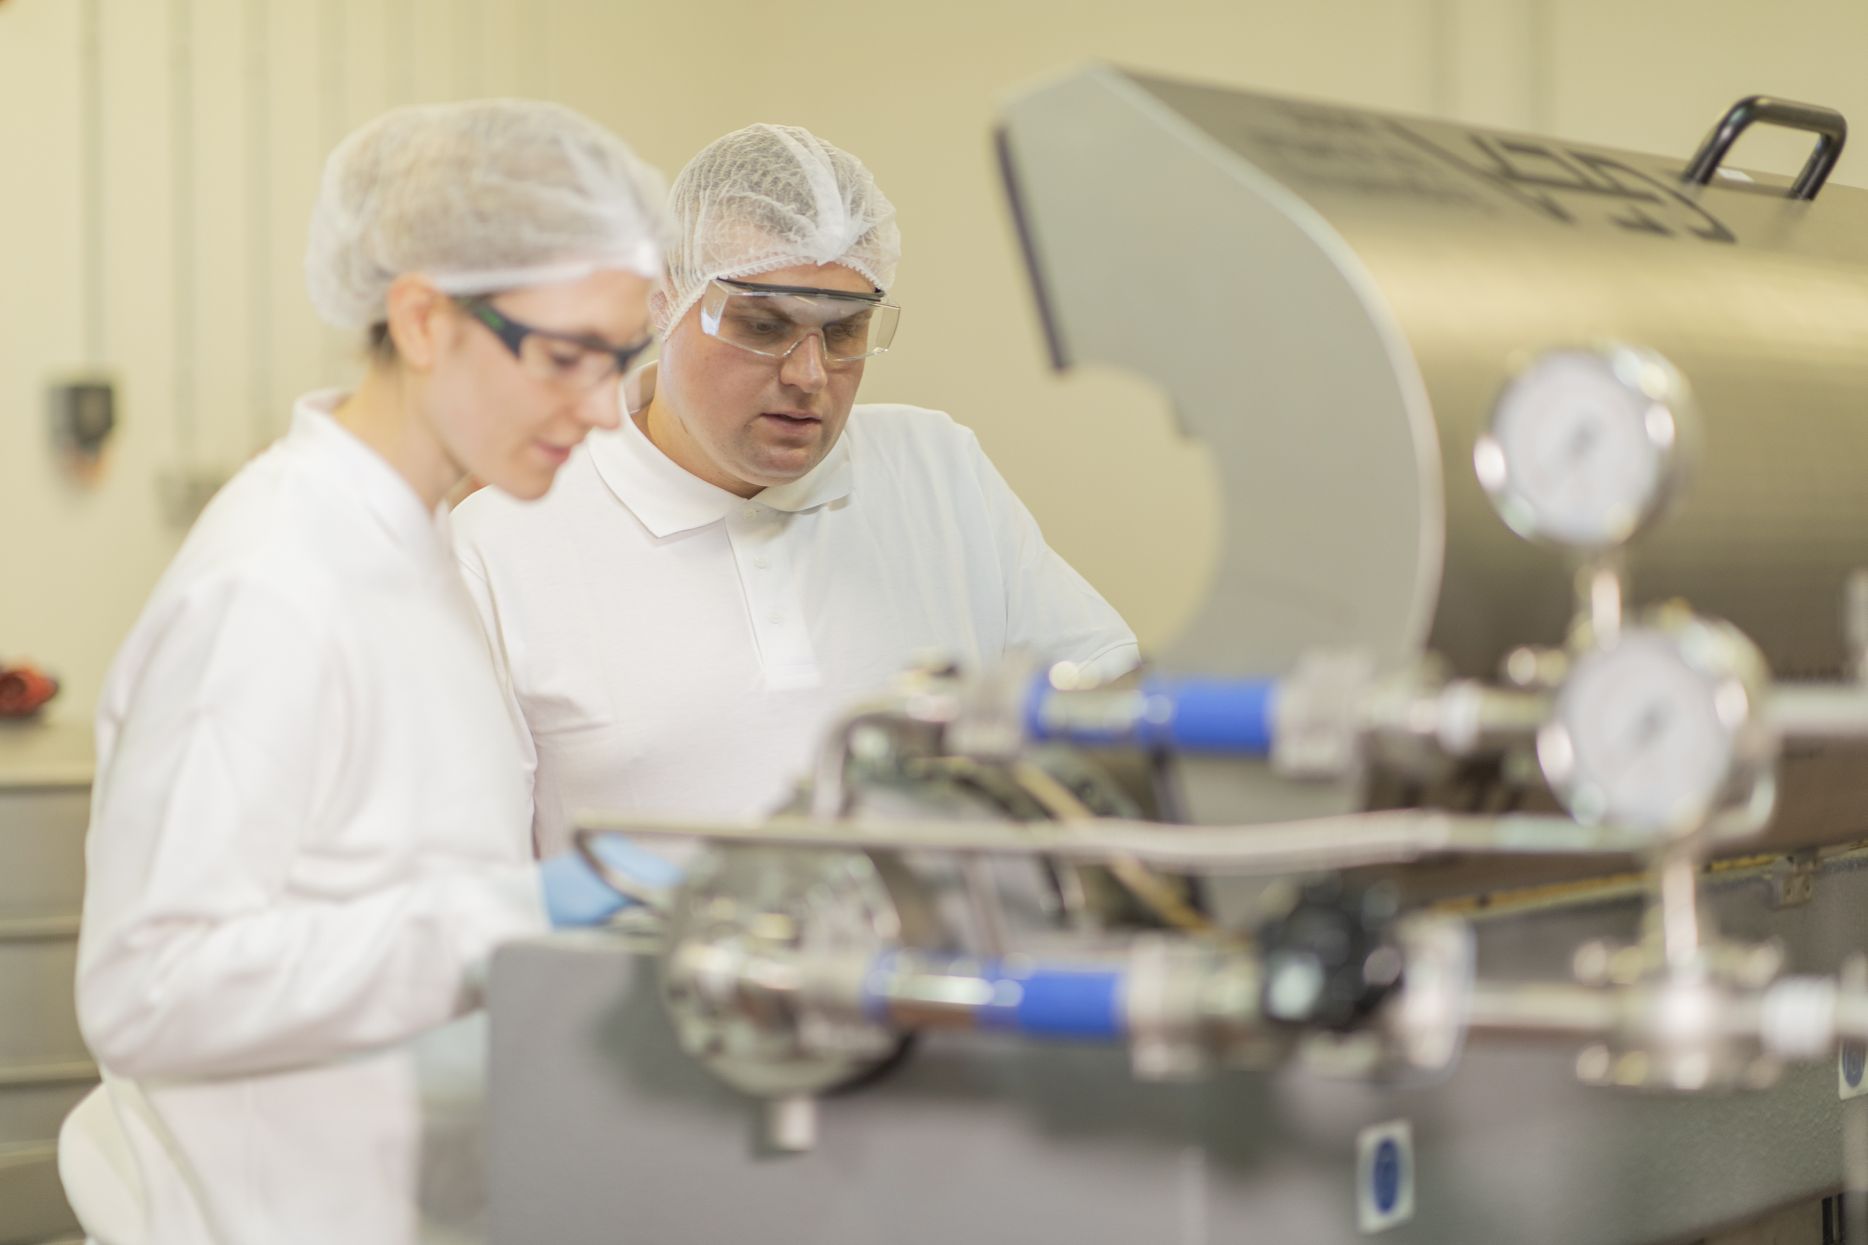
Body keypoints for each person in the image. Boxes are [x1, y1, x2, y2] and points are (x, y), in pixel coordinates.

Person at [56, 99, 677, 1245]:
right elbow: (150, 989)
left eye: (624, 359)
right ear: (424, 317)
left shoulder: (418, 546)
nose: (602, 409)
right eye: (566, 357)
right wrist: (505, 921)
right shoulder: (273, 582)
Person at [451, 123, 1139, 860]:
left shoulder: (938, 471)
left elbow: (1115, 705)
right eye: (762, 323)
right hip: (656, 973)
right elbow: (463, 874)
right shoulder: (501, 545)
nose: (809, 374)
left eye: (845, 332)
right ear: (662, 300)